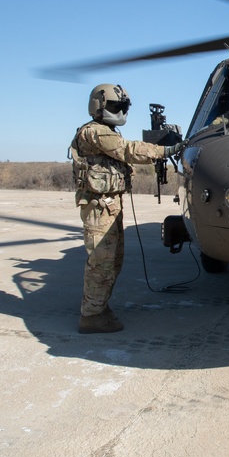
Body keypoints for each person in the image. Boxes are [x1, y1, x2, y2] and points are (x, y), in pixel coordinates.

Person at [69, 83, 185, 333]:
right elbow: (128, 150)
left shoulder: (106, 130)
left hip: (109, 204)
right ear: (98, 106)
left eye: (123, 107)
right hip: (99, 206)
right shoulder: (94, 132)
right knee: (101, 262)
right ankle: (91, 316)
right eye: (115, 106)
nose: (120, 111)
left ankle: (98, 307)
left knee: (113, 261)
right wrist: (166, 150)